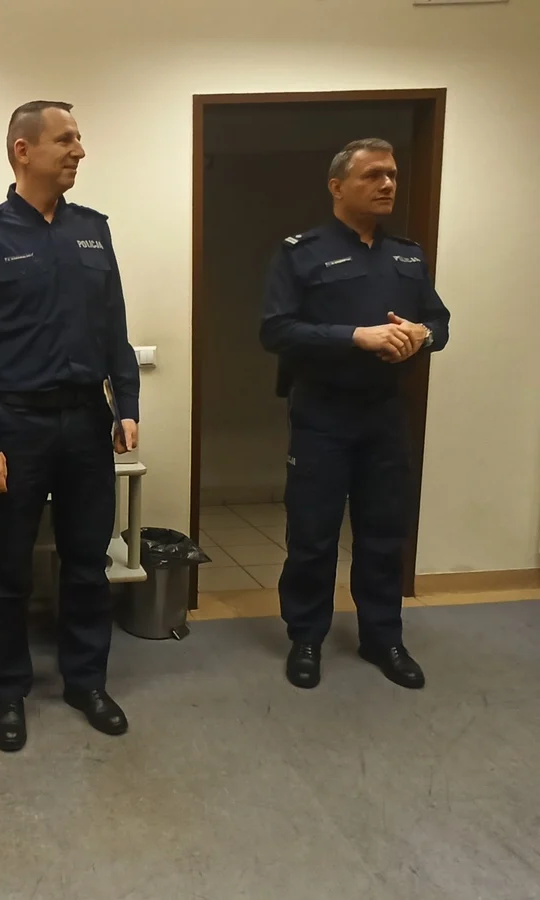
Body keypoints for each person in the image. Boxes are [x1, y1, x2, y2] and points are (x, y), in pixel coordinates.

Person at [0, 101, 141, 752]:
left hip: (86, 421)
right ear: (23, 150)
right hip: (16, 424)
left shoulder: (93, 231)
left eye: (79, 139)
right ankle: (7, 691)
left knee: (88, 562)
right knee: (9, 570)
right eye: (65, 139)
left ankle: (87, 682)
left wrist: (128, 403)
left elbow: (114, 327)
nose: (79, 150)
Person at [259, 137, 450, 691]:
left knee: (384, 532)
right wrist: (355, 337)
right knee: (313, 534)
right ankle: (306, 637)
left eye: (392, 175)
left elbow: (439, 323)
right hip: (323, 413)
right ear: (338, 186)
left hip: (387, 414)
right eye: (373, 175)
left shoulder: (408, 255)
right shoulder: (302, 252)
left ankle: (383, 637)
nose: (387, 184)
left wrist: (421, 335)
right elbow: (276, 330)